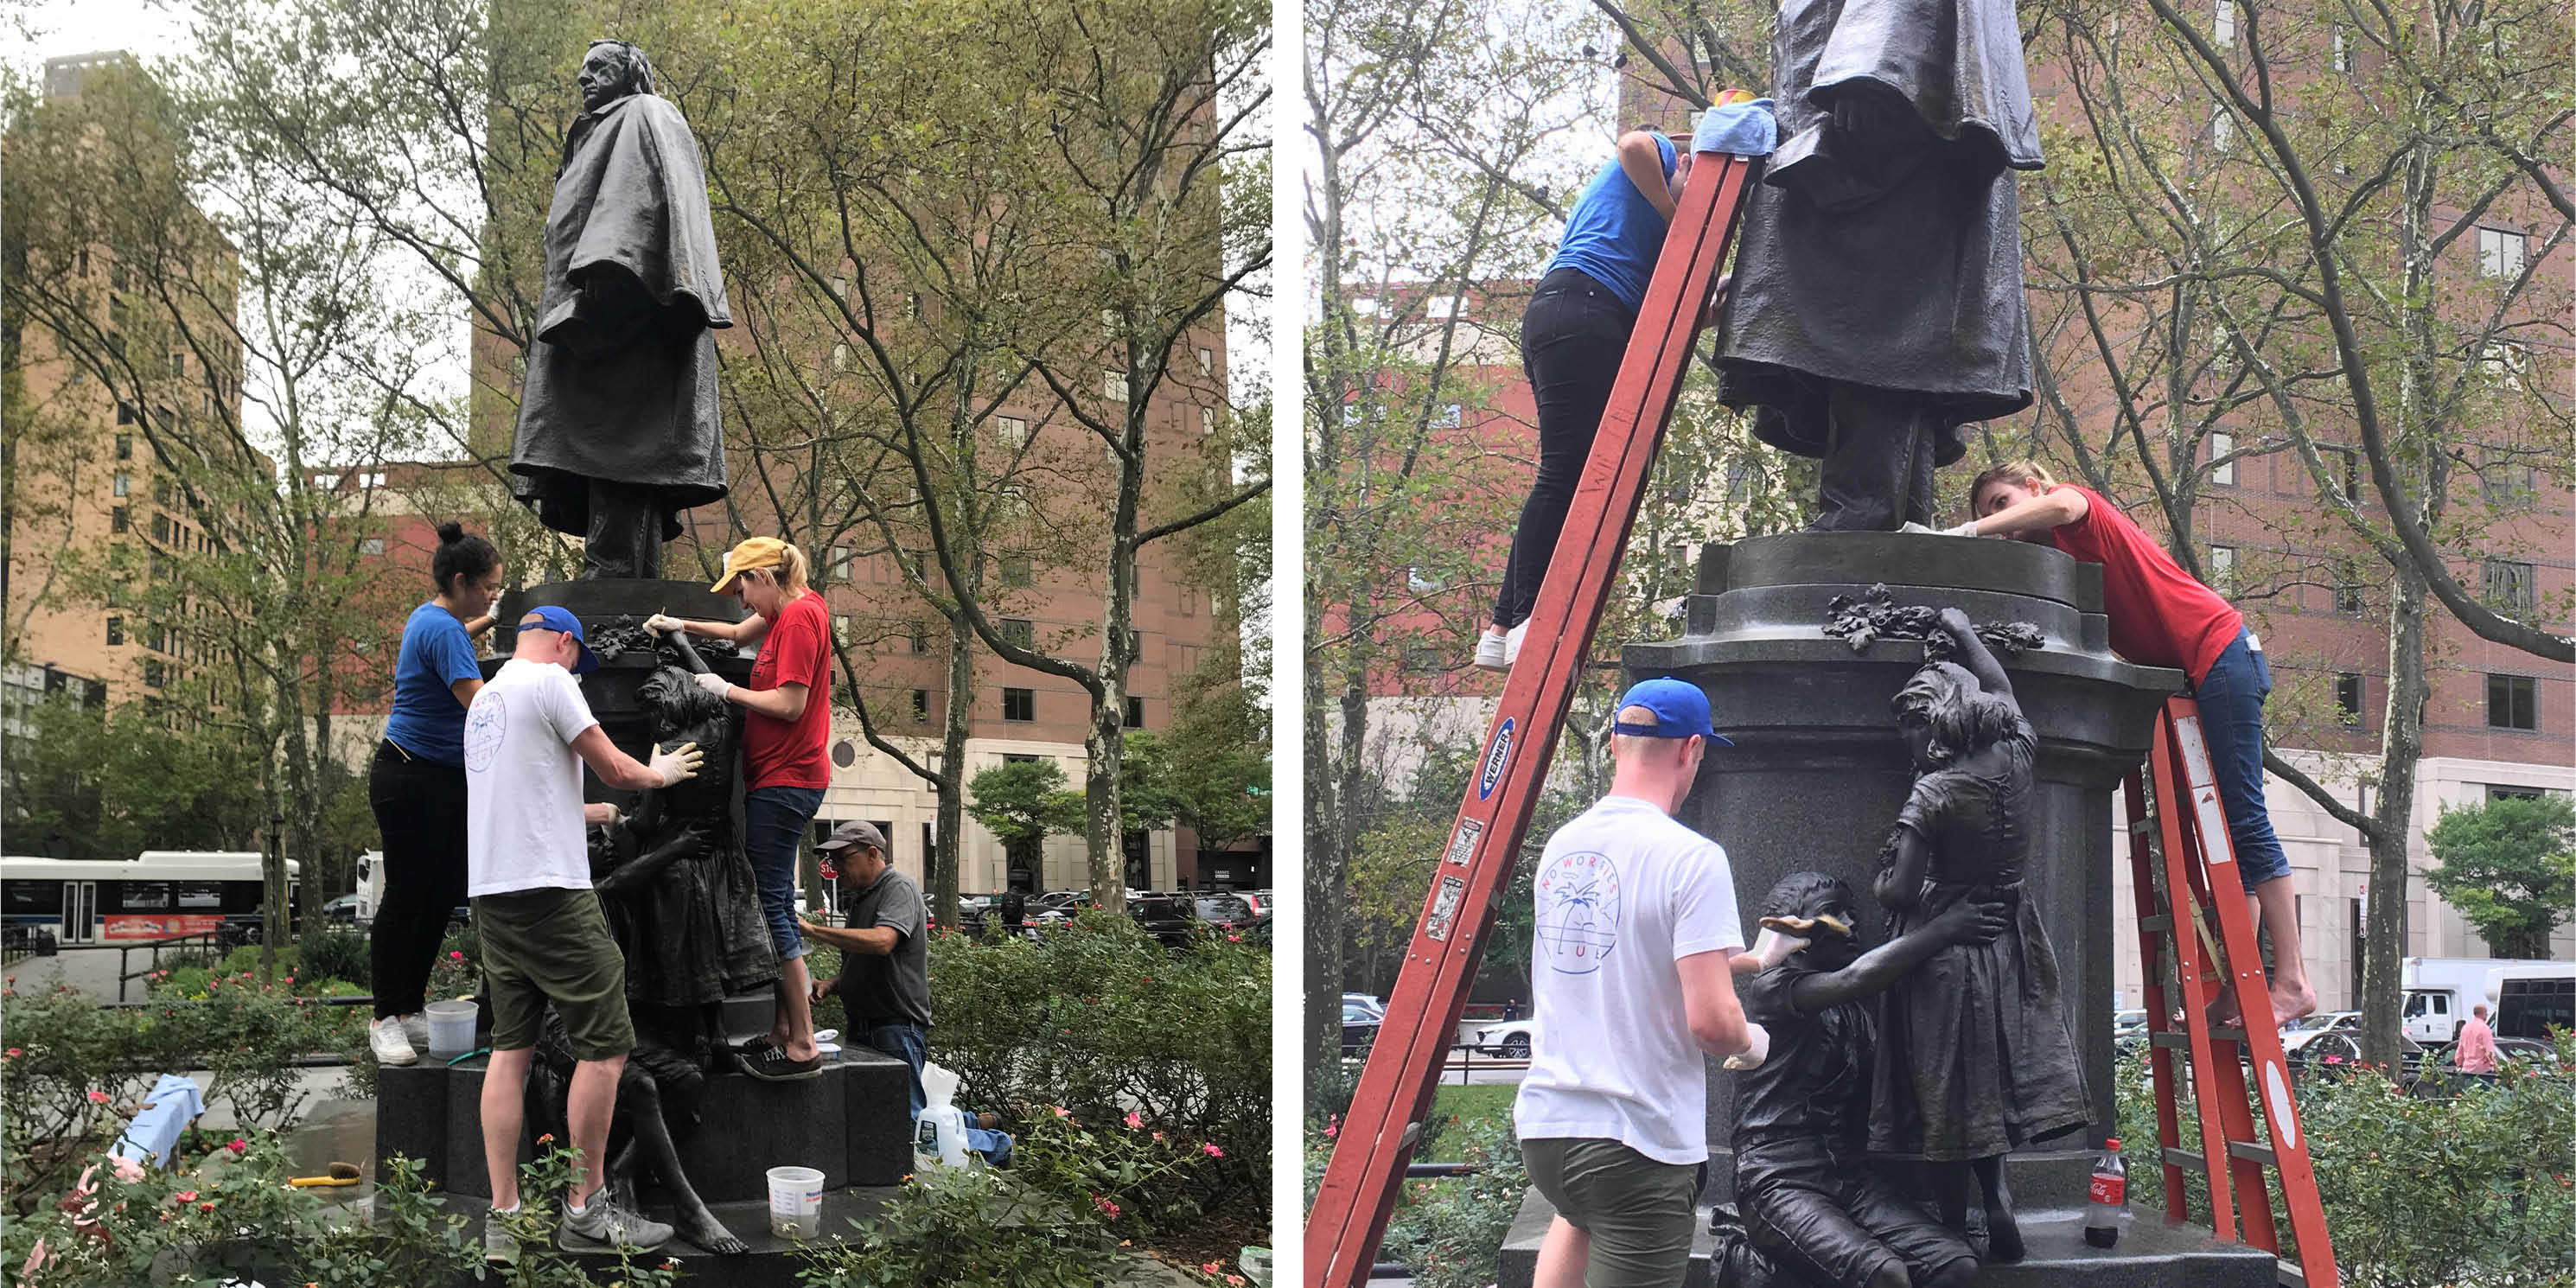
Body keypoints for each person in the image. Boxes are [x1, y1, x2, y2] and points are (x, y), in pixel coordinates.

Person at [1961, 460, 2318, 1027]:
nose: (1997, 521)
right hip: (2198, 673)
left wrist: (1964, 534)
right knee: (2222, 836)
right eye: (1985, 515)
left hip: (2220, 651)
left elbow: (2063, 504)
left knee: (2246, 823)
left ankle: (2294, 980)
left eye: (2001, 504)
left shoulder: (2076, 509)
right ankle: (2239, 983)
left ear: (2032, 487)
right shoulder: (2060, 560)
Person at [1715, 0, 2039, 532]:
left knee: (1873, 322)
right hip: (1879, 112)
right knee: (1897, 331)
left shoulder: (1870, 92)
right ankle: (1899, 520)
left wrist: (1868, 74)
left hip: (1879, 118)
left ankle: (1863, 515)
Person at [466, 605, 705, 1261]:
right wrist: (663, 773)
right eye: (580, 659)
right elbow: (620, 767)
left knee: (509, 1052)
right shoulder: (551, 682)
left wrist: (597, 814)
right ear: (566, 643)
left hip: (492, 897)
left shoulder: (484, 702)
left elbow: (523, 796)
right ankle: (587, 1210)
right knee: (606, 1045)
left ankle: (504, 1219)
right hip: (552, 897)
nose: (580, 671)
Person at [1516, 677, 1757, 1288]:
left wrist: (1755, 959)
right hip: (1636, 1143)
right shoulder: (1692, 857)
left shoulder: (1564, 848)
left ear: (1617, 745)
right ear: (1691, 750)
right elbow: (1711, 1023)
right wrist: (1753, 1042)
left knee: (1578, 1218)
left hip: (1551, 1132)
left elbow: (1626, 958)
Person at [1867, 609, 2088, 1263]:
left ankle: (1953, 1222)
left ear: (1937, 726)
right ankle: (2000, 1195)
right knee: (1988, 1083)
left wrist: (1881, 875)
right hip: (2010, 940)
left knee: (1943, 1088)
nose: (1911, 744)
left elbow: (1900, 891)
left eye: (1914, 729)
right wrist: (1963, 629)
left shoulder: (1933, 793)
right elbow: (2000, 684)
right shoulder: (2019, 750)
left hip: (1941, 943)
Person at [1476, 131, 1693, 673]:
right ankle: (1525, 621)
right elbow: (1632, 146)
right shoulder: (1663, 158)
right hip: (1583, 307)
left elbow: (1667, 314)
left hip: (1571, 311)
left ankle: (1504, 626)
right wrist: (1675, 212)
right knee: (1566, 472)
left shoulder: (1630, 239)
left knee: (1566, 473)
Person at [1722, 872, 2003, 1288]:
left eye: (1852, 913)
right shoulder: (1773, 989)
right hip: (1776, 1179)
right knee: (1883, 1275)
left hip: (1847, 1175)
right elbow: (1856, 977)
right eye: (1832, 913)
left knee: (1957, 1266)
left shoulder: (1856, 1012)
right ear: (1790, 929)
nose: (1850, 924)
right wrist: (1944, 929)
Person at [647, 537, 834, 1080]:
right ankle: (781, 1030)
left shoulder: (798, 619)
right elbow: (732, 632)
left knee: (772, 904)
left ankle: (801, 1044)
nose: (743, 599)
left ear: (767, 578)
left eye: (744, 586)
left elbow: (789, 703)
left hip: (786, 779)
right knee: (769, 898)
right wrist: (676, 624)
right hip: (778, 778)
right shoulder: (793, 610)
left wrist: (725, 690)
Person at [368, 521, 504, 1068]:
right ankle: (384, 1019)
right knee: (406, 898)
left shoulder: (434, 618)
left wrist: (491, 621)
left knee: (438, 896)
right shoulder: (443, 630)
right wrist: (538, 687)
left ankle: (407, 1011)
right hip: (411, 778)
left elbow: (454, 637)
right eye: (491, 586)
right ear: (462, 580)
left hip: (434, 776)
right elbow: (480, 703)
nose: (496, 591)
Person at [798, 821, 1012, 1165]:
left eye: (842, 858)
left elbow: (884, 942)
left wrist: (812, 930)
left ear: (872, 854)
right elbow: (868, 961)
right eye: (832, 860)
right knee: (895, 1113)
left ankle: (996, 1145)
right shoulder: (862, 898)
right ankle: (973, 1124)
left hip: (895, 1026)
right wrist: (833, 984)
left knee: (907, 1120)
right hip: (867, 1025)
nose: (835, 868)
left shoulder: (897, 888)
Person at [2455, 1003, 2498, 1075]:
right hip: (2482, 1071)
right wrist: (2495, 1066)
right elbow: (2489, 1050)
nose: (2486, 1016)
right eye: (2486, 1013)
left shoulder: (2465, 1028)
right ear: (2483, 1013)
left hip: (2467, 1070)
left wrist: (2459, 1063)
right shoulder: (2485, 1028)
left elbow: (2460, 1050)